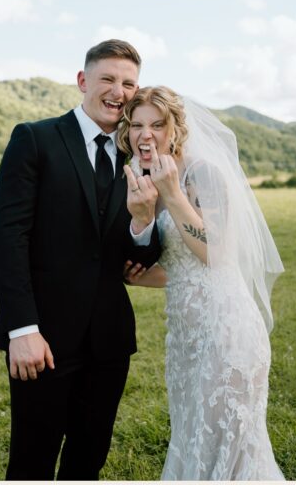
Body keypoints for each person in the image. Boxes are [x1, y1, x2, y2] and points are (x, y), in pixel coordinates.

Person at [0, 37, 161, 481]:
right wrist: (21, 329)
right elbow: (8, 238)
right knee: (32, 459)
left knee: (89, 459)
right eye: (108, 78)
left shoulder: (137, 154)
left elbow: (140, 254)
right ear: (83, 80)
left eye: (129, 83)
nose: (118, 91)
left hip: (109, 339)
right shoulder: (35, 138)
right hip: (41, 338)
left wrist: (142, 224)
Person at [120, 85, 284, 480]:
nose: (146, 134)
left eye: (157, 124)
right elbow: (183, 269)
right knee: (194, 437)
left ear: (176, 128)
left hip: (226, 330)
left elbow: (216, 256)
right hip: (185, 338)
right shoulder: (144, 179)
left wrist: (173, 194)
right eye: (137, 124)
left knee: (229, 445)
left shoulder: (201, 174)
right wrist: (139, 272)